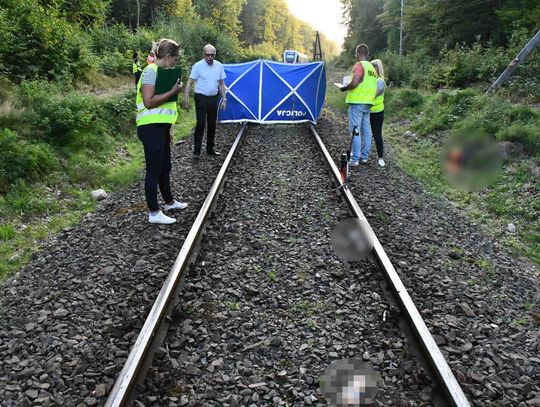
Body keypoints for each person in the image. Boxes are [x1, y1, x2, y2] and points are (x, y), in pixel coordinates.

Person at [136, 38, 187, 224]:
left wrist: (168, 129)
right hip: (150, 128)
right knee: (154, 170)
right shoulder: (150, 71)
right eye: (175, 58)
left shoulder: (161, 72)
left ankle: (169, 202)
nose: (176, 62)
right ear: (167, 56)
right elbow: (149, 101)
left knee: (165, 167)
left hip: (160, 128)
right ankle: (154, 213)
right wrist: (173, 91)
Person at [183, 44, 227, 160]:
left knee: (212, 124)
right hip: (201, 98)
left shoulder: (219, 66)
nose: (210, 57)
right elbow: (189, 83)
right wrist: (186, 100)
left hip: (213, 98)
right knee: (201, 124)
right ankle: (197, 151)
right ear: (204, 55)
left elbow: (221, 83)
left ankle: (210, 149)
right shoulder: (197, 66)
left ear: (215, 55)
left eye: (212, 55)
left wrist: (224, 99)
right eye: (207, 55)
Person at [340, 44, 377, 166]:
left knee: (355, 130)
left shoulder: (359, 65)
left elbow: (355, 81)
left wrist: (345, 87)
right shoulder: (371, 68)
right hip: (368, 103)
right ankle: (364, 157)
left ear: (357, 53)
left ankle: (355, 158)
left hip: (357, 103)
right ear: (367, 54)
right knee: (367, 131)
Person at [370, 59, 386, 167]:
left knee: (377, 135)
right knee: (363, 133)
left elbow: (373, 95)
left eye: (372, 68)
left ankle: (380, 157)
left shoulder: (380, 81)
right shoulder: (371, 80)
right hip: (367, 110)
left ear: (377, 69)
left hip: (376, 112)